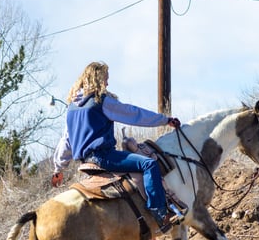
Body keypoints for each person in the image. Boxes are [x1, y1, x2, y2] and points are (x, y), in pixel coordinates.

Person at [51, 61, 182, 231]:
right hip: (103, 157)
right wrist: (164, 120)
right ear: (97, 79)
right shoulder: (101, 101)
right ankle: (160, 213)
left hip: (85, 161)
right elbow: (133, 114)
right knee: (148, 164)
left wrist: (58, 169)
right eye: (105, 78)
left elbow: (66, 141)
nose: (107, 83)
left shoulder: (71, 108)